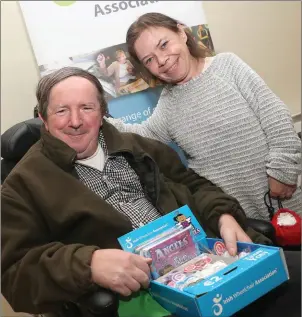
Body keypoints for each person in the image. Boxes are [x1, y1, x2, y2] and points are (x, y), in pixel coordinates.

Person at [0, 67, 298, 317]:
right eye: (62, 110)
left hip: (210, 264)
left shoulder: (138, 147)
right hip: (142, 297)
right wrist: (87, 265)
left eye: (87, 108)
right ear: (43, 117)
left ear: (102, 112)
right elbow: (14, 276)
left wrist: (223, 215)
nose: (75, 121)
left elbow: (195, 185)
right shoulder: (22, 185)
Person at [106, 12, 302, 221]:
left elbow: (276, 117)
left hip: (287, 199)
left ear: (181, 32)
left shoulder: (227, 66)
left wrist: (282, 172)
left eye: (163, 45)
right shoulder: (168, 103)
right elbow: (144, 135)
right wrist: (95, 117)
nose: (162, 60)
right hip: (238, 219)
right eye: (149, 60)